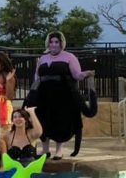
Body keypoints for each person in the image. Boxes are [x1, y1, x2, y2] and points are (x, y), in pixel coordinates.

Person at [28, 31, 94, 159]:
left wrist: (86, 74)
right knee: (43, 120)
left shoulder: (69, 57)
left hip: (62, 96)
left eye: (56, 42)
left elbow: (76, 75)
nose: (53, 44)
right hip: (44, 95)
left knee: (60, 121)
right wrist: (33, 92)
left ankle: (59, 150)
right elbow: (37, 75)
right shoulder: (43, 58)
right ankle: (45, 149)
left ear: (61, 43)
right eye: (51, 42)